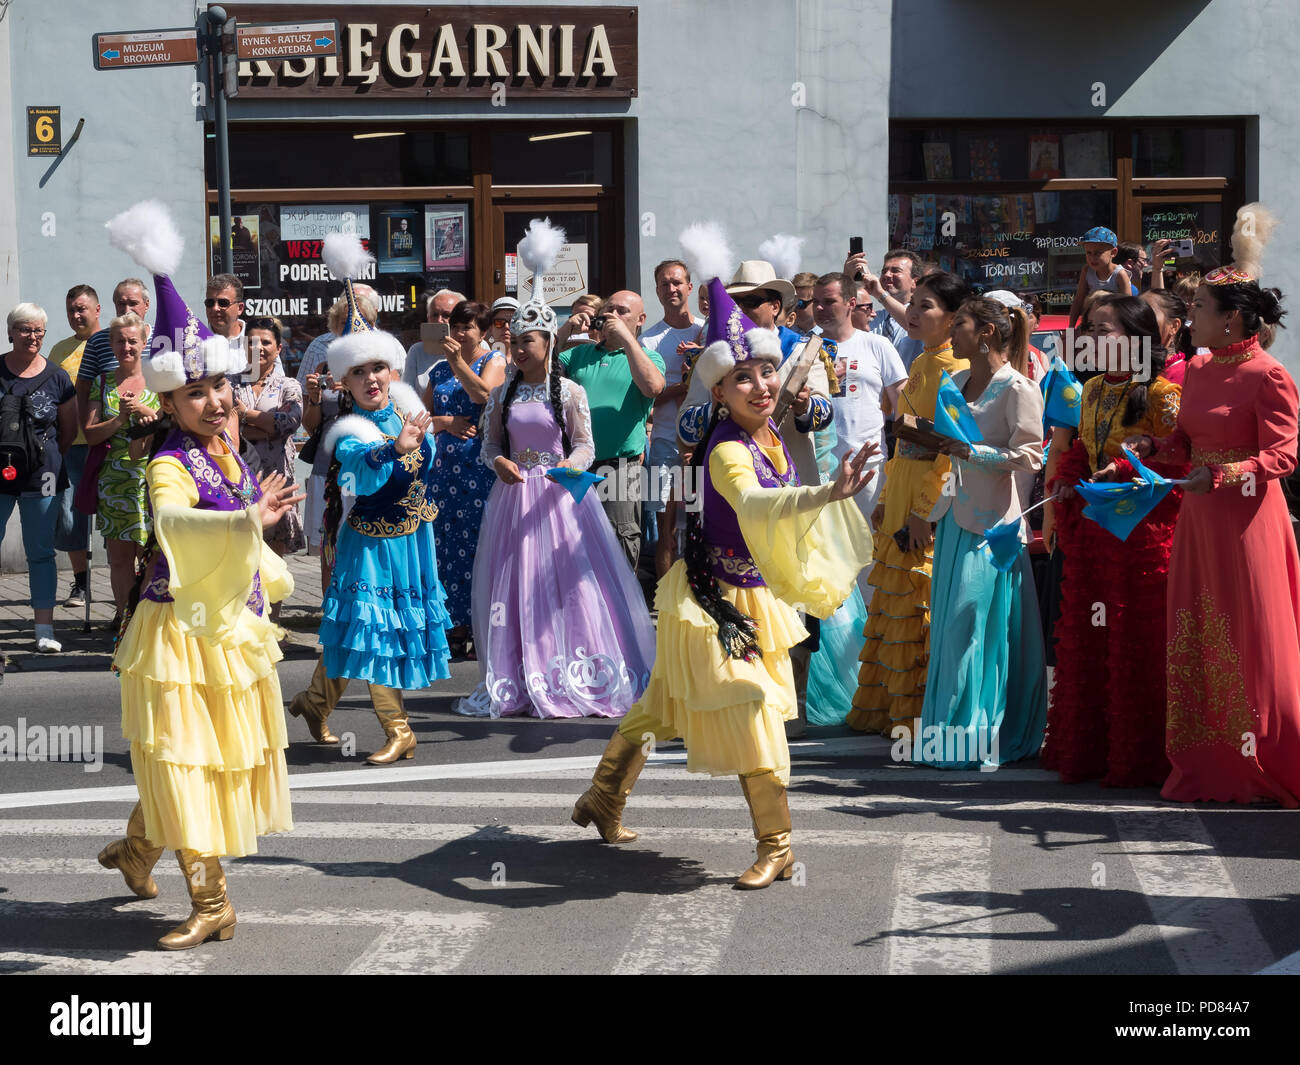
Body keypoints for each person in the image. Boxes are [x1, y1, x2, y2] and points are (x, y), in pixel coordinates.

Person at [570, 301, 876, 888]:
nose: (761, 385)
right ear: (719, 392)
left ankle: (604, 796)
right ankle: (777, 844)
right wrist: (827, 494)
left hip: (752, 593)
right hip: (715, 600)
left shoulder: (770, 439)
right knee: (752, 708)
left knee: (663, 703)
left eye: (766, 371)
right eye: (743, 377)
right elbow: (757, 505)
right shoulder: (729, 449)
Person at [98, 199, 301, 950]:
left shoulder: (227, 450)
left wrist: (260, 539)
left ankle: (133, 850)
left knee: (192, 762)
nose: (216, 403)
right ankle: (213, 901)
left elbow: (246, 523)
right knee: (186, 763)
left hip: (226, 630)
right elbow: (174, 526)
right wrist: (250, 523)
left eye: (219, 388)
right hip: (177, 635)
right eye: (196, 395)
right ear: (171, 401)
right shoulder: (168, 461)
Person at [1127, 204, 1300, 805]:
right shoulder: (1197, 370)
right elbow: (1186, 443)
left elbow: (1282, 457)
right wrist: (1155, 445)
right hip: (1200, 518)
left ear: (1230, 321)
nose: (1187, 315)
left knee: (1252, 634)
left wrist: (1223, 476)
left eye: (1198, 308)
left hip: (1249, 519)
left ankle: (1263, 757)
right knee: (1199, 630)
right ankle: (1209, 762)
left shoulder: (1268, 374)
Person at [288, 233, 452, 763]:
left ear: (391, 369)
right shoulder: (352, 429)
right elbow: (360, 473)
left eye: (376, 368)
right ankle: (399, 728)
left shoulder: (407, 410)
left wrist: (420, 443)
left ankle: (315, 702)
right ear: (345, 383)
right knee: (370, 628)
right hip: (371, 543)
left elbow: (429, 467)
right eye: (357, 372)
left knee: (361, 628)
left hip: (412, 540)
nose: (370, 379)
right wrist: (392, 449)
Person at [461, 276, 656, 718]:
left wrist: (574, 466)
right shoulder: (502, 394)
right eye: (516, 341)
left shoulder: (570, 392)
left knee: (569, 581)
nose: (520, 348)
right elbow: (490, 445)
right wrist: (500, 464)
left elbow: (585, 444)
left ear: (548, 344)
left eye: (529, 340)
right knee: (517, 581)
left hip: (561, 497)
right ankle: (522, 668)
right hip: (515, 498)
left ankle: (580, 665)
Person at [1043, 294, 1184, 787]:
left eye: (1105, 330)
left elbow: (1175, 463)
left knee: (1135, 637)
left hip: (1143, 535)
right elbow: (1082, 447)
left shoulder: (1164, 394)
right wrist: (1070, 476)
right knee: (1090, 634)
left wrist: (1126, 467)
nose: (1094, 339)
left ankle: (1143, 755)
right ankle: (1093, 750)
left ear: (1137, 339)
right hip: (1095, 529)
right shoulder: (1093, 389)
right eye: (1091, 330)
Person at [918, 297, 1047, 767]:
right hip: (956, 517)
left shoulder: (1019, 388)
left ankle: (983, 733)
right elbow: (950, 455)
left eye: (962, 325)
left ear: (987, 332)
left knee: (974, 622)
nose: (953, 333)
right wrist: (931, 507)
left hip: (996, 523)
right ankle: (950, 734)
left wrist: (974, 453)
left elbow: (1032, 456)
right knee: (951, 627)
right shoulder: (951, 382)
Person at [849, 271, 972, 735]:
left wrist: (925, 510)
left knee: (920, 600)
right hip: (901, 485)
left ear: (955, 317)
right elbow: (902, 437)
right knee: (894, 597)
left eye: (926, 307)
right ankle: (892, 710)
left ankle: (920, 715)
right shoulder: (920, 361)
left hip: (929, 494)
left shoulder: (956, 369)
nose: (914, 313)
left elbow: (950, 450)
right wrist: (884, 494)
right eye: (913, 304)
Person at [421, 299, 507, 658]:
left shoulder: (495, 361)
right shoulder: (439, 370)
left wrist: (458, 362)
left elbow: (485, 395)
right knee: (444, 546)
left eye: (467, 326)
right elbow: (422, 415)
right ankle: (451, 627)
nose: (458, 332)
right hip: (443, 469)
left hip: (477, 467)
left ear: (483, 331)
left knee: (476, 545)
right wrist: (444, 423)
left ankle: (480, 626)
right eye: (455, 325)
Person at [554, 290, 665, 568]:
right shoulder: (578, 354)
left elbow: (653, 387)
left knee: (618, 545)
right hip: (576, 466)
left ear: (640, 319)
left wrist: (627, 340)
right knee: (571, 543)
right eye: (609, 309)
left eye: (622, 311)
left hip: (619, 468)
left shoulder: (649, 357)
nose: (612, 315)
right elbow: (537, 361)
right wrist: (567, 327)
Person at [1, 303, 77, 652]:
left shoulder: (58, 377)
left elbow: (68, 430)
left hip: (42, 476)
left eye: (38, 331)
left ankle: (44, 629)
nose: (33, 337)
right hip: (0, 474)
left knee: (41, 553)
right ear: (11, 332)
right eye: (25, 330)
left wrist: (43, 458)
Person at [82, 313, 160, 624]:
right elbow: (89, 434)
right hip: (115, 482)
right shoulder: (103, 383)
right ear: (111, 344)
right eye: (120, 341)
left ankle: (152, 619)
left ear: (144, 343)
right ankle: (126, 619)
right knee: (120, 559)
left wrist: (144, 411)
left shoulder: (159, 381)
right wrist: (119, 420)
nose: (126, 346)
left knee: (154, 555)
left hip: (156, 479)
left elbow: (174, 426)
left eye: (132, 341)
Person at [300, 290, 379, 581]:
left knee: (365, 543)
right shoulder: (324, 366)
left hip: (366, 466)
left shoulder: (380, 367)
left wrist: (351, 388)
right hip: (328, 466)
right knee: (328, 544)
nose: (348, 327)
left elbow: (386, 412)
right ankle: (329, 615)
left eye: (356, 320)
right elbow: (311, 426)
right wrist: (316, 398)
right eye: (343, 321)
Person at [233, 317, 306, 622]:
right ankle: (246, 621)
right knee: (243, 553)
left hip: (278, 476)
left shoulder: (289, 386)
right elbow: (228, 429)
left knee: (275, 556)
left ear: (278, 348)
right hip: (241, 477)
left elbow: (288, 423)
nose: (258, 347)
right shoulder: (229, 383)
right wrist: (262, 425)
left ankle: (272, 624)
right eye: (252, 341)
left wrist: (245, 415)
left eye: (265, 342)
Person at [642, 259, 703, 578]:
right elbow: (646, 397)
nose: (671, 289)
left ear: (689, 287)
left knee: (699, 524)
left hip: (703, 444)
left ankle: (699, 596)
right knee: (665, 527)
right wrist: (681, 385)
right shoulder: (649, 340)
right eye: (664, 284)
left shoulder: (706, 331)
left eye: (677, 282)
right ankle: (666, 605)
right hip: (664, 442)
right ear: (657, 291)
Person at [48, 284, 100, 608]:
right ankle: (81, 585)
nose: (76, 315)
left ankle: (128, 584)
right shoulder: (58, 350)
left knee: (114, 522)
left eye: (82, 309)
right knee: (68, 519)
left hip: (105, 445)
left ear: (97, 310)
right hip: (70, 447)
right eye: (71, 310)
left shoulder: (111, 344)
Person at [75, 278, 150, 447]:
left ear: (146, 304)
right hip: (108, 447)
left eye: (133, 303)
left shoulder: (163, 338)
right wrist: (87, 431)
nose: (126, 310)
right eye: (121, 304)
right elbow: (83, 388)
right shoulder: (97, 341)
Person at [845, 247, 925, 369]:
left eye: (896, 271)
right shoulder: (873, 318)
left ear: (915, 282)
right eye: (884, 271)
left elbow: (915, 324)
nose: (887, 275)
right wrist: (847, 279)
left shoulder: (924, 316)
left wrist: (880, 294)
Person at [298, 283, 379, 389]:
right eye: (344, 323)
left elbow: (393, 400)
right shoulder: (323, 365)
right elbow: (305, 399)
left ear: (371, 324)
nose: (350, 328)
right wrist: (314, 399)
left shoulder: (383, 359)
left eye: (357, 322)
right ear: (335, 325)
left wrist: (350, 387)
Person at [401, 289, 468, 391]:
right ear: (428, 317)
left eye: (446, 315)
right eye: (435, 315)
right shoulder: (417, 351)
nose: (439, 320)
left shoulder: (475, 346)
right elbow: (406, 392)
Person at [1067, 226, 1132, 326]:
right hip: (1090, 323)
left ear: (1113, 253)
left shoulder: (1120, 274)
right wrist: (1071, 327)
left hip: (1112, 324)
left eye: (1098, 253)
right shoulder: (1087, 271)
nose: (1092, 258)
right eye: (1088, 252)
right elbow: (1078, 300)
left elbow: (1128, 306)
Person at [204, 273, 250, 370]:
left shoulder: (260, 341)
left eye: (223, 303)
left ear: (240, 308)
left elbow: (277, 382)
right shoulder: (196, 342)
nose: (215, 308)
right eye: (210, 303)